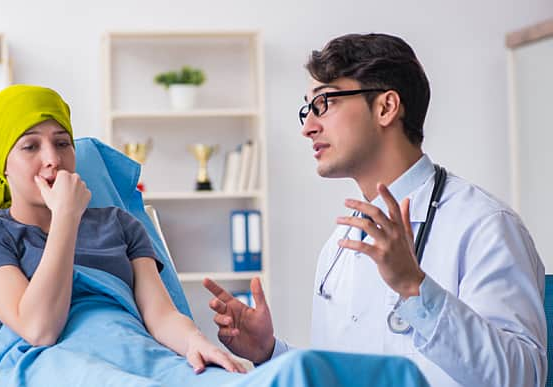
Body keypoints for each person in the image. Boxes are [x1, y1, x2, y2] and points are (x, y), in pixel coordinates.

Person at [203, 33, 546, 387]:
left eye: (324, 103)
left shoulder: (484, 226)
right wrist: (270, 352)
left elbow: (523, 377)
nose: (308, 128)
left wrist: (414, 288)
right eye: (306, 110)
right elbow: (347, 374)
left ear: (386, 107)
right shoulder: (339, 244)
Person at [0, 85, 245, 378]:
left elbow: (160, 315)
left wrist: (195, 340)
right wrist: (65, 218)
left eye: (62, 143)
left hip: (138, 354)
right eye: (30, 146)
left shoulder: (119, 223)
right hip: (52, 364)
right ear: (3, 164)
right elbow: (39, 330)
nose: (53, 159)